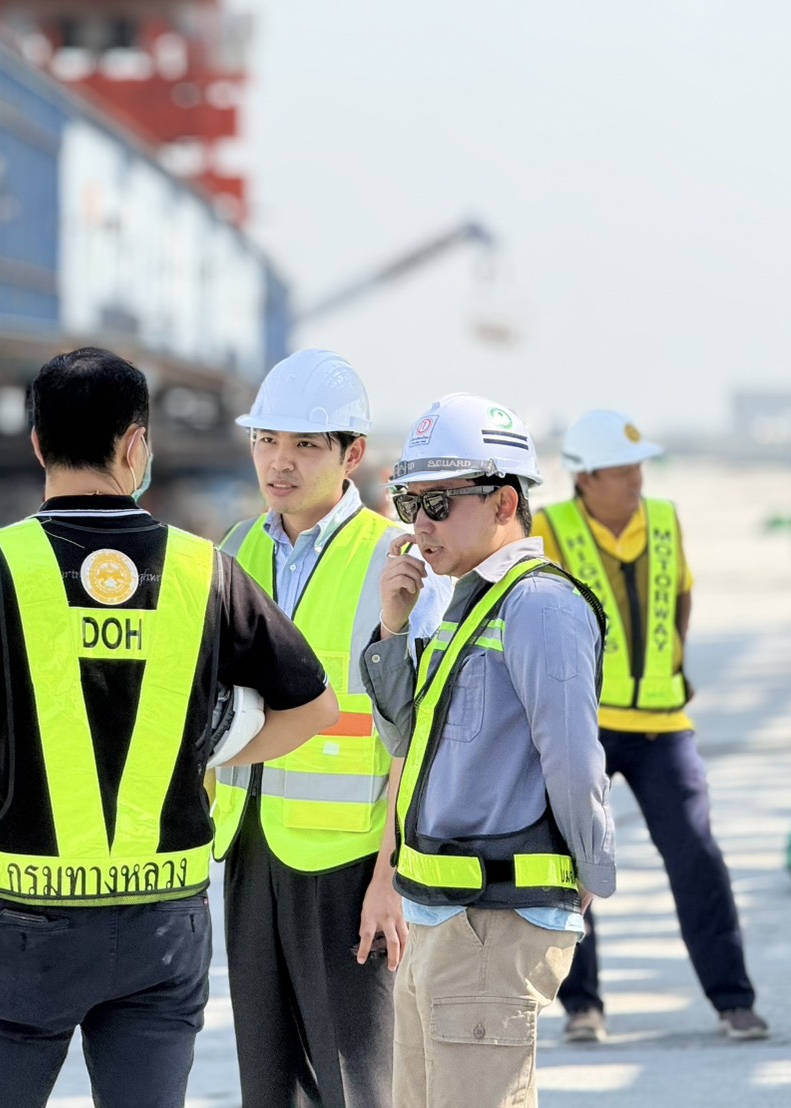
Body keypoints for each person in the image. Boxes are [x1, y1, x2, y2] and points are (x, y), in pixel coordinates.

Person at [0, 347, 339, 1108]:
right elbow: (315, 708)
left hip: (27, 924)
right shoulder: (203, 570)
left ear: (37, 444)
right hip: (163, 922)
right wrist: (209, 755)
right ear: (135, 445)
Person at [358, 393, 615, 1108]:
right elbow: (406, 740)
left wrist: (586, 877)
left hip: (489, 923)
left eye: (439, 503)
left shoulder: (539, 605)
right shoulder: (465, 605)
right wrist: (392, 630)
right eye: (410, 503)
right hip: (437, 918)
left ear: (504, 501)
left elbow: (572, 757)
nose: (419, 524)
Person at [214, 349, 450, 1107]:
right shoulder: (234, 550)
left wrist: (390, 877)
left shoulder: (396, 561)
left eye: (305, 445)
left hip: (351, 864)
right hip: (249, 846)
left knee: (356, 1083)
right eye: (266, 440)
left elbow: (417, 736)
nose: (279, 462)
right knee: (267, 1081)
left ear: (352, 455)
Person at [533, 409, 766, 1042]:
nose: (637, 477)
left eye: (639, 465)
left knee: (697, 857)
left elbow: (681, 595)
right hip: (585, 726)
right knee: (571, 862)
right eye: (622, 469)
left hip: (664, 724)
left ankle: (734, 1000)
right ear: (585, 477)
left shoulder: (664, 519)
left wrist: (673, 664)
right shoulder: (550, 529)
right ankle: (583, 1006)